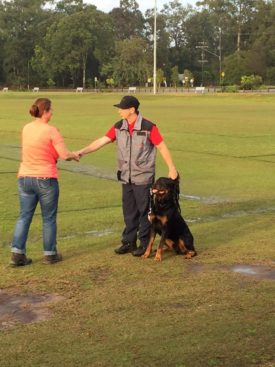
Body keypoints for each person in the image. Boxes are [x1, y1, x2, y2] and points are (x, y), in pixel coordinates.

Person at [77, 95, 178, 257]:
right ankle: (129, 242)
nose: (119, 111)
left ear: (132, 110)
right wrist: (81, 152)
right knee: (129, 211)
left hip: (143, 178)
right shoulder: (119, 126)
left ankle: (144, 244)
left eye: (121, 108)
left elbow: (162, 147)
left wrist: (171, 167)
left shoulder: (148, 127)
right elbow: (101, 141)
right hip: (126, 177)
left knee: (144, 212)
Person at [10, 98, 79, 266]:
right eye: (51, 110)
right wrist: (74, 154)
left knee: (24, 216)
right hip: (46, 179)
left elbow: (40, 150)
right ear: (45, 111)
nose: (53, 112)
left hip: (25, 177)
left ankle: (17, 254)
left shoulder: (26, 128)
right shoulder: (52, 130)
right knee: (48, 218)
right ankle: (50, 254)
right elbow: (63, 154)